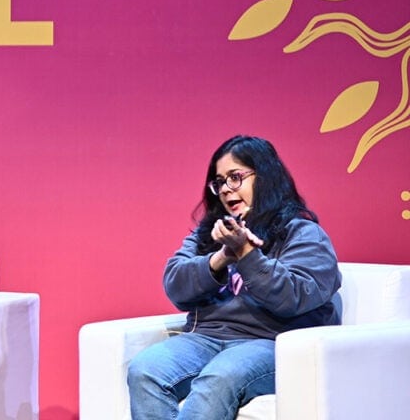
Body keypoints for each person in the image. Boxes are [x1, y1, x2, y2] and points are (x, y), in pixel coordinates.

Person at [126, 135, 341, 420]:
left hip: (272, 341)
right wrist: (221, 257)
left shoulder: (301, 233)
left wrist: (247, 253)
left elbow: (294, 297)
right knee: (146, 370)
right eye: (219, 182)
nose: (226, 190)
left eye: (235, 177)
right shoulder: (211, 234)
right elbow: (175, 285)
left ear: (265, 177)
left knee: (218, 377)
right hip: (206, 339)